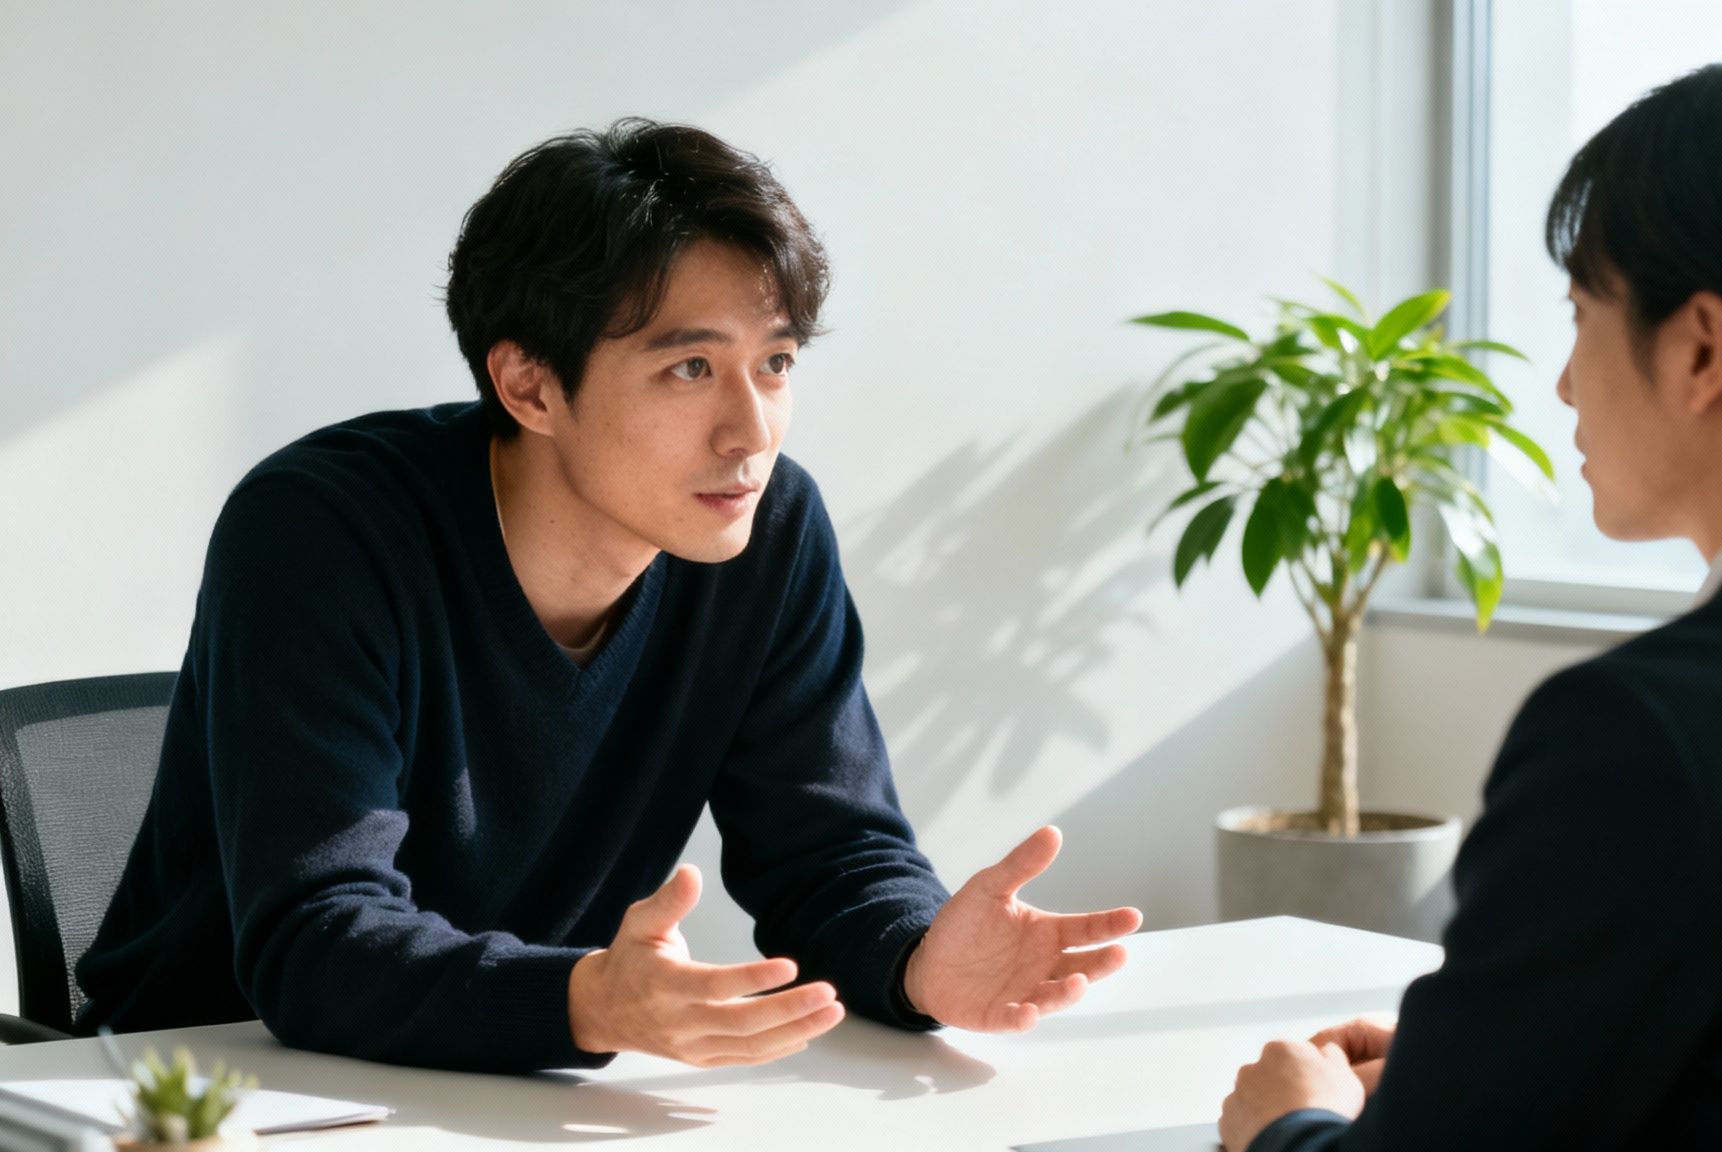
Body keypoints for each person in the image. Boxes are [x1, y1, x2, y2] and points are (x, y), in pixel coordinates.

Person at [75, 119, 1142, 1073]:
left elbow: (827, 852)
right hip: (205, 1091)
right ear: (529, 385)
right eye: (689, 370)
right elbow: (315, 937)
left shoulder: (763, 531)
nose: (750, 432)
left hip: (511, 1093)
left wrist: (917, 963)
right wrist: (583, 1000)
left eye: (773, 364)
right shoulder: (323, 530)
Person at [1222, 45, 1722, 1151]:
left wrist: (1287, 1130)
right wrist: (1476, 1057)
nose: (1561, 383)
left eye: (1578, 314)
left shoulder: (1643, 737)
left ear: (1699, 347)